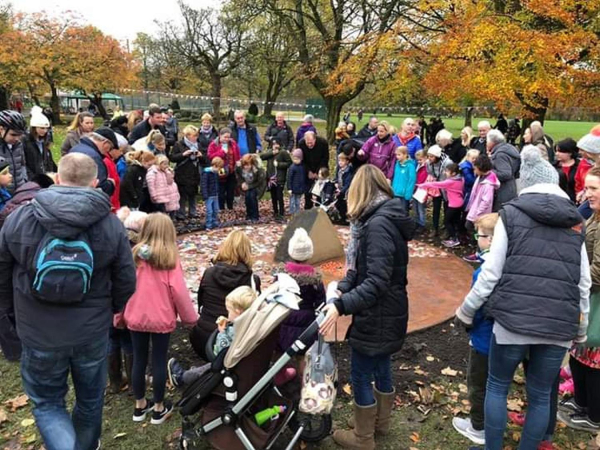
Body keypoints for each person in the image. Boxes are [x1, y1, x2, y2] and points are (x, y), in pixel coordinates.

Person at [454, 146, 591, 450]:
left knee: (497, 386)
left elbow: (491, 272)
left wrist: (467, 309)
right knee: (541, 393)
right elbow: (583, 281)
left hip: (513, 320)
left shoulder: (511, 214)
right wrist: (581, 326)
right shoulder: (575, 222)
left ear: (524, 183)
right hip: (558, 325)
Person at [0, 153, 137, 450]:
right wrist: (109, 310)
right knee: (90, 401)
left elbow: (1, 276)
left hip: (37, 331)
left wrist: (12, 316)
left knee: (48, 403)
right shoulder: (111, 225)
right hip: (90, 331)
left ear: (57, 179)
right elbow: (127, 280)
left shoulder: (19, 219)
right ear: (96, 182)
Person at [319, 164, 415, 450]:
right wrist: (344, 285)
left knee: (361, 372)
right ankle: (379, 423)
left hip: (379, 312)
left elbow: (376, 281)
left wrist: (341, 305)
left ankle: (363, 438)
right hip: (390, 308)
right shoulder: (384, 217)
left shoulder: (377, 225)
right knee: (382, 363)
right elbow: (366, 271)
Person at [123, 213, 197, 424]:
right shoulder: (170, 262)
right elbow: (180, 293)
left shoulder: (133, 258)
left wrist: (119, 314)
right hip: (161, 318)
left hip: (135, 317)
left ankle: (139, 405)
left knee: (139, 358)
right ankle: (158, 407)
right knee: (158, 359)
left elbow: (122, 288)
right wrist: (190, 319)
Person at [556, 166, 600, 433]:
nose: (587, 192)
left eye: (594, 188)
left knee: (593, 359)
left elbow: (598, 270)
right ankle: (582, 403)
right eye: (588, 186)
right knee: (579, 355)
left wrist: (575, 281)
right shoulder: (594, 216)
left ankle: (595, 416)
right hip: (587, 296)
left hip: (595, 300)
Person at [452, 213, 498, 446]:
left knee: (477, 383)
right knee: (496, 383)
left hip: (484, 338)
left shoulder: (484, 272)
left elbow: (477, 306)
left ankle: (478, 426)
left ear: (490, 240)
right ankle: (491, 422)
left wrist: (468, 323)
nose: (476, 239)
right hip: (502, 338)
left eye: (479, 235)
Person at [188, 230, 260, 360]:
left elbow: (201, 302)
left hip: (202, 337)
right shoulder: (252, 280)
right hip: (232, 345)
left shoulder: (209, 273)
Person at [168, 286, 257, 388]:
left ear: (238, 311)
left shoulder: (236, 330)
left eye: (229, 311)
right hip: (242, 361)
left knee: (207, 369)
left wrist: (222, 332)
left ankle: (181, 378)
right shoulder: (249, 324)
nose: (227, 314)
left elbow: (221, 351)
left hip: (227, 362)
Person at [418, 162, 465, 248]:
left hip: (453, 204)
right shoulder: (461, 179)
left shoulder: (450, 181)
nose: (445, 173)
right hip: (460, 203)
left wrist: (423, 185)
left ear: (453, 173)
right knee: (456, 221)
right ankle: (458, 237)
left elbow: (436, 184)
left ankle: (454, 239)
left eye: (447, 171)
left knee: (447, 221)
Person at [70, 127, 119, 197]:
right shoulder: (94, 157)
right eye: (110, 148)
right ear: (105, 143)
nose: (108, 151)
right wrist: (111, 183)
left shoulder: (75, 148)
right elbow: (101, 188)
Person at [170, 125, 206, 219]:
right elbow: (172, 158)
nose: (196, 138)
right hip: (182, 173)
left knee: (193, 194)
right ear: (188, 135)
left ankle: (193, 212)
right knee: (182, 195)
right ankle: (181, 213)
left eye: (196, 135)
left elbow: (205, 160)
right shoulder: (178, 144)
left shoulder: (198, 145)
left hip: (194, 172)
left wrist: (200, 156)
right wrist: (183, 155)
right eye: (194, 136)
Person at [465, 153, 500, 234]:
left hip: (480, 212)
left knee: (474, 228)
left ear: (480, 169)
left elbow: (486, 201)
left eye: (475, 169)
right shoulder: (480, 177)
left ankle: (477, 244)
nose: (474, 170)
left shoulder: (488, 184)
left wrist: (477, 214)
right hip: (475, 208)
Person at [486, 130, 520, 212]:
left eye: (487, 141)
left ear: (492, 142)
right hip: (511, 188)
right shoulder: (509, 149)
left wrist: (487, 171)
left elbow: (505, 173)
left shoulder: (500, 154)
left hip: (502, 192)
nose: (486, 143)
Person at [208, 128, 241, 210]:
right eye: (225, 137)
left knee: (230, 191)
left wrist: (238, 162)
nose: (226, 139)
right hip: (220, 170)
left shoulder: (233, 143)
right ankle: (221, 208)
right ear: (220, 136)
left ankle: (230, 207)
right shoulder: (214, 144)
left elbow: (237, 154)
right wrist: (222, 152)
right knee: (221, 191)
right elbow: (210, 156)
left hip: (231, 170)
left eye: (228, 137)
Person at [426, 145, 453, 237]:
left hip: (446, 188)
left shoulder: (447, 163)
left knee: (446, 209)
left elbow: (451, 175)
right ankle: (435, 228)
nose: (429, 158)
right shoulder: (428, 163)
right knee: (436, 208)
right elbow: (430, 173)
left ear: (437, 156)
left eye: (431, 156)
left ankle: (446, 228)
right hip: (436, 187)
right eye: (428, 156)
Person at [261, 139, 292, 220]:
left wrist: (279, 165)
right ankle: (275, 212)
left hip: (279, 178)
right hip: (270, 179)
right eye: (274, 144)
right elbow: (262, 157)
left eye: (277, 144)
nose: (275, 146)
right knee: (273, 196)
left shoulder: (283, 152)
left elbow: (289, 163)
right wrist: (272, 153)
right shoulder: (270, 152)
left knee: (279, 196)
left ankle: (281, 212)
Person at [22, 107, 57, 179]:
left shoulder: (44, 141)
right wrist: (33, 179)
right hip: (33, 179)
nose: (45, 131)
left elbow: (49, 160)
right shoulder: (25, 141)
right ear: (34, 127)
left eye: (46, 128)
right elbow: (24, 164)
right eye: (42, 128)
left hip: (46, 177)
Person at [299, 131, 330, 209]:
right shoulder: (301, 143)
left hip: (320, 167)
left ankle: (319, 207)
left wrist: (317, 172)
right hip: (308, 167)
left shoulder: (323, 143)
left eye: (311, 143)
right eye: (307, 143)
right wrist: (308, 171)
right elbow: (301, 159)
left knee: (320, 190)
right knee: (308, 191)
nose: (309, 145)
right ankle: (308, 207)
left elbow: (325, 158)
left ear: (315, 139)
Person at [0, 110, 28, 193]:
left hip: (19, 191)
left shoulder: (18, 144)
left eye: (20, 135)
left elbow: (22, 164)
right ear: (1, 129)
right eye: (13, 134)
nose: (17, 138)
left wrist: (24, 179)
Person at [236, 154, 266, 222]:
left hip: (256, 185)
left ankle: (255, 216)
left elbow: (260, 182)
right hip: (246, 184)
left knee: (252, 197)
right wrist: (242, 183)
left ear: (252, 164)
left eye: (248, 165)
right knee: (247, 197)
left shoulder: (258, 170)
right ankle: (248, 215)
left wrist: (249, 186)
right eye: (244, 166)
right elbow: (238, 176)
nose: (246, 167)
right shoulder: (239, 167)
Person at [391, 146, 416, 212]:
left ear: (405, 155)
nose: (397, 156)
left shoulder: (410, 166)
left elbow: (411, 180)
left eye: (399, 155)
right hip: (395, 193)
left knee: (403, 212)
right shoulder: (397, 164)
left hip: (404, 195)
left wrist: (408, 194)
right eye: (396, 155)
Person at [554, 138, 580, 202]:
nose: (557, 153)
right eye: (556, 151)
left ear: (570, 152)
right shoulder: (552, 166)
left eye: (560, 151)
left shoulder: (579, 167)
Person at [201, 157, 223, 230]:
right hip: (209, 195)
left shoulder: (216, 174)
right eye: (218, 168)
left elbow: (217, 183)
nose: (219, 170)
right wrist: (205, 195)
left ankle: (214, 223)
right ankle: (208, 225)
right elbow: (204, 185)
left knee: (216, 210)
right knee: (209, 211)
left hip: (215, 194)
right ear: (214, 166)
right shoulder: (206, 173)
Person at [104, 140, 123, 213]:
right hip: (111, 202)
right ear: (113, 150)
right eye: (120, 151)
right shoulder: (107, 162)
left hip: (115, 200)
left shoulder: (112, 162)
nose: (121, 153)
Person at [335, 153, 354, 223]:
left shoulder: (348, 171)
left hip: (345, 191)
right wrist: (336, 183)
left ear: (347, 162)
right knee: (338, 203)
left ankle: (344, 218)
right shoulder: (339, 170)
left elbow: (347, 184)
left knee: (343, 205)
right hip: (339, 189)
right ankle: (340, 216)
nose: (340, 162)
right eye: (339, 161)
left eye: (342, 161)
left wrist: (341, 191)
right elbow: (336, 178)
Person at [288, 149, 307, 215]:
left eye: (297, 159)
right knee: (292, 201)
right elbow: (289, 178)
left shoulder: (303, 167)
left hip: (300, 188)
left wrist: (304, 187)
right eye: (294, 159)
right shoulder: (292, 167)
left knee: (298, 201)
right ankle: (292, 212)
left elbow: (304, 178)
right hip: (293, 188)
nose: (295, 160)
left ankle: (297, 212)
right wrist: (289, 188)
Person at [413, 150, 428, 234]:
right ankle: (416, 221)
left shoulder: (426, 167)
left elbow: (425, 178)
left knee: (420, 208)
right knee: (415, 207)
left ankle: (422, 224)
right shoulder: (418, 166)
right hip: (416, 188)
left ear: (425, 158)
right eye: (418, 160)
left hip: (422, 190)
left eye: (420, 159)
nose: (419, 161)